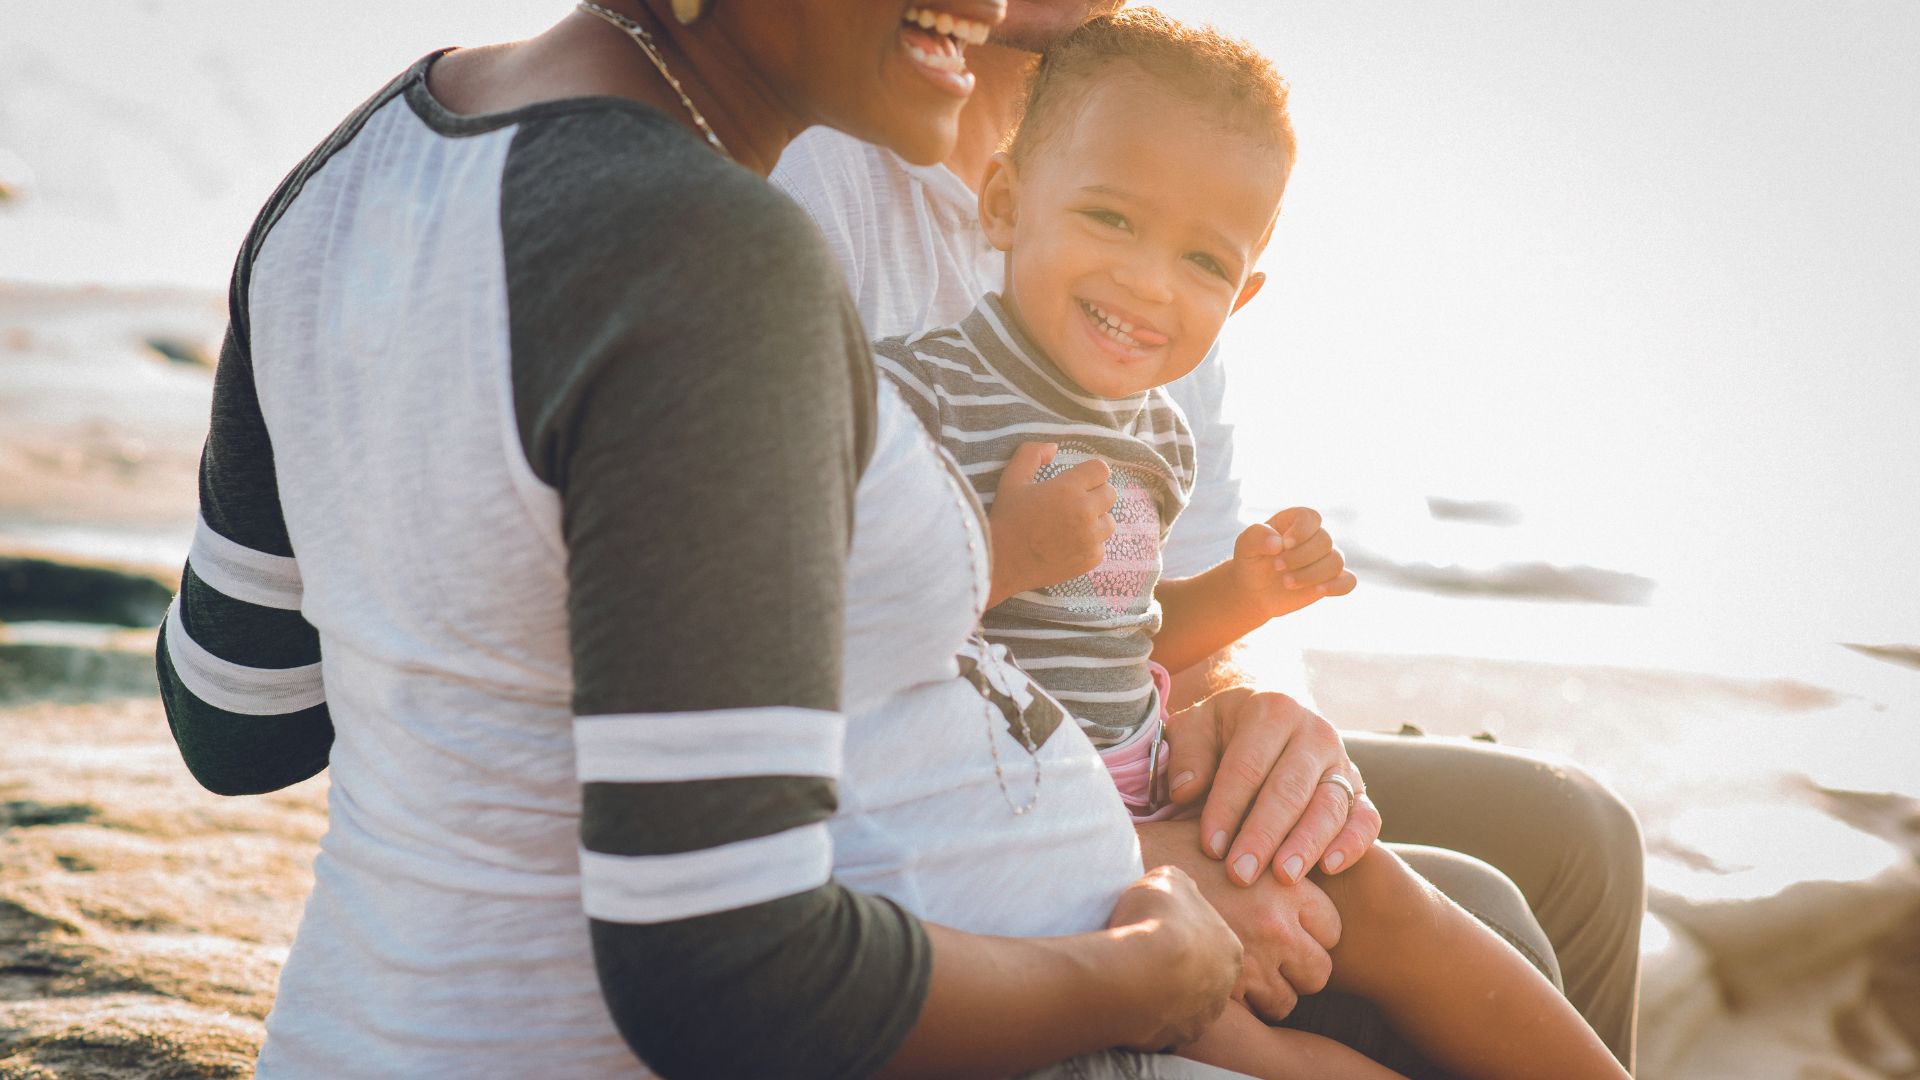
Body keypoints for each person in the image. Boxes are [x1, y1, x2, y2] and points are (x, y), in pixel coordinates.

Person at [150, 1, 1276, 1076]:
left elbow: (238, 720)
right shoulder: (715, 250)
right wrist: (1135, 979)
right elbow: (729, 978)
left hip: (352, 1037)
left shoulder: (344, 176)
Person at [772, 1, 1646, 1068]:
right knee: (1464, 909)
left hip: (1134, 754)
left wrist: (1252, 649)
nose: (1149, 282)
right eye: (1110, 222)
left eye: (1202, 264)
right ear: (1009, 202)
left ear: (1240, 290)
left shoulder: (1156, 372)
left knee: (1573, 835)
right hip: (996, 798)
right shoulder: (830, 223)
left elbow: (1138, 625)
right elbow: (810, 632)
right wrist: (1135, 847)